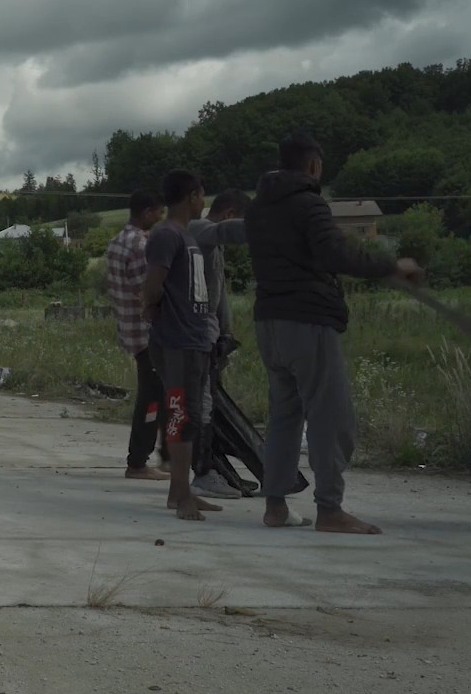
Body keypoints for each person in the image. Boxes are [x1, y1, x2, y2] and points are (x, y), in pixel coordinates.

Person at [248, 134, 421, 534]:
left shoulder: (258, 207)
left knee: (284, 416)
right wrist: (391, 266)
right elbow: (335, 253)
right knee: (330, 416)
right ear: (313, 166)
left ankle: (275, 505)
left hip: (268, 321)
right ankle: (330, 509)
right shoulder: (309, 204)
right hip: (307, 320)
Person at [143, 169, 221, 521]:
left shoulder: (184, 235)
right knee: (180, 414)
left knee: (188, 416)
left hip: (193, 339)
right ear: (192, 196)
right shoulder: (166, 234)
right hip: (177, 341)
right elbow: (153, 285)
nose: (203, 202)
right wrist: (153, 310)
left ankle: (180, 492)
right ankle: (181, 496)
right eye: (201, 195)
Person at [186, 188, 249, 499]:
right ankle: (202, 473)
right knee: (201, 404)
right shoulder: (200, 230)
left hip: (210, 334)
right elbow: (225, 232)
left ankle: (215, 468)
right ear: (230, 214)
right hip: (197, 333)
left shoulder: (211, 240)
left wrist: (226, 333)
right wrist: (271, 223)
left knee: (207, 402)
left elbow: (219, 294)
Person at [105, 189, 168, 481]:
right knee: (151, 398)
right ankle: (138, 461)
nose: (160, 219)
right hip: (148, 332)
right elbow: (150, 290)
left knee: (158, 395)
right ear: (147, 212)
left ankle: (164, 455)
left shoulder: (116, 241)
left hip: (130, 329)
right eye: (158, 213)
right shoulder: (141, 245)